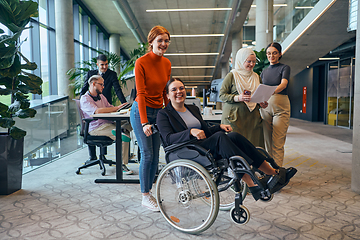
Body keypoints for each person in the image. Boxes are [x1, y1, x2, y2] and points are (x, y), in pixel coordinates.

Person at [157, 78, 297, 201]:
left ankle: (272, 172)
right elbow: (168, 139)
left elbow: (205, 131)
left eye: (181, 88)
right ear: (168, 95)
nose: (179, 91)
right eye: (174, 89)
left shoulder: (192, 109)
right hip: (187, 150)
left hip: (203, 145)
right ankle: (251, 183)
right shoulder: (163, 114)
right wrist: (190, 132)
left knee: (233, 136)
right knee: (220, 138)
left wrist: (220, 127)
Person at [130, 25, 171, 211]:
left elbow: (164, 91)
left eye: (166, 41)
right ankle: (144, 196)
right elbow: (140, 93)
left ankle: (149, 190)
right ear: (151, 41)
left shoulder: (167, 64)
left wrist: (169, 113)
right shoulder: (141, 62)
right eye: (160, 40)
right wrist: (145, 122)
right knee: (146, 154)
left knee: (156, 155)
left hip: (158, 111)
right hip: (141, 111)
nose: (163, 44)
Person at [80, 54, 132, 174]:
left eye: (106, 64)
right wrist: (115, 108)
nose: (104, 86)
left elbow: (115, 96)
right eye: (101, 85)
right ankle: (121, 165)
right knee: (123, 137)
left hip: (106, 119)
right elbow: (97, 111)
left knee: (131, 123)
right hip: (96, 125)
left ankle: (122, 130)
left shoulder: (102, 95)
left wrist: (122, 107)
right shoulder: (86, 98)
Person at [219, 48, 268, 148]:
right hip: (234, 118)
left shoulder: (256, 77)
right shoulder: (232, 75)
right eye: (248, 61)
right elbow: (222, 95)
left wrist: (262, 103)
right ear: (241, 60)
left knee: (254, 147)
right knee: (235, 147)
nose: (252, 64)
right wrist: (238, 98)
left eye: (254, 61)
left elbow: (259, 95)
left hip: (253, 119)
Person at [260, 42, 291, 167]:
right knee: (267, 143)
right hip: (265, 108)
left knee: (277, 142)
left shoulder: (284, 68)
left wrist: (270, 91)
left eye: (274, 53)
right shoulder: (264, 71)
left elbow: (283, 84)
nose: (271, 56)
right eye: (268, 53)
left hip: (281, 108)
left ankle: (277, 173)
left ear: (279, 54)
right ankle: (269, 171)